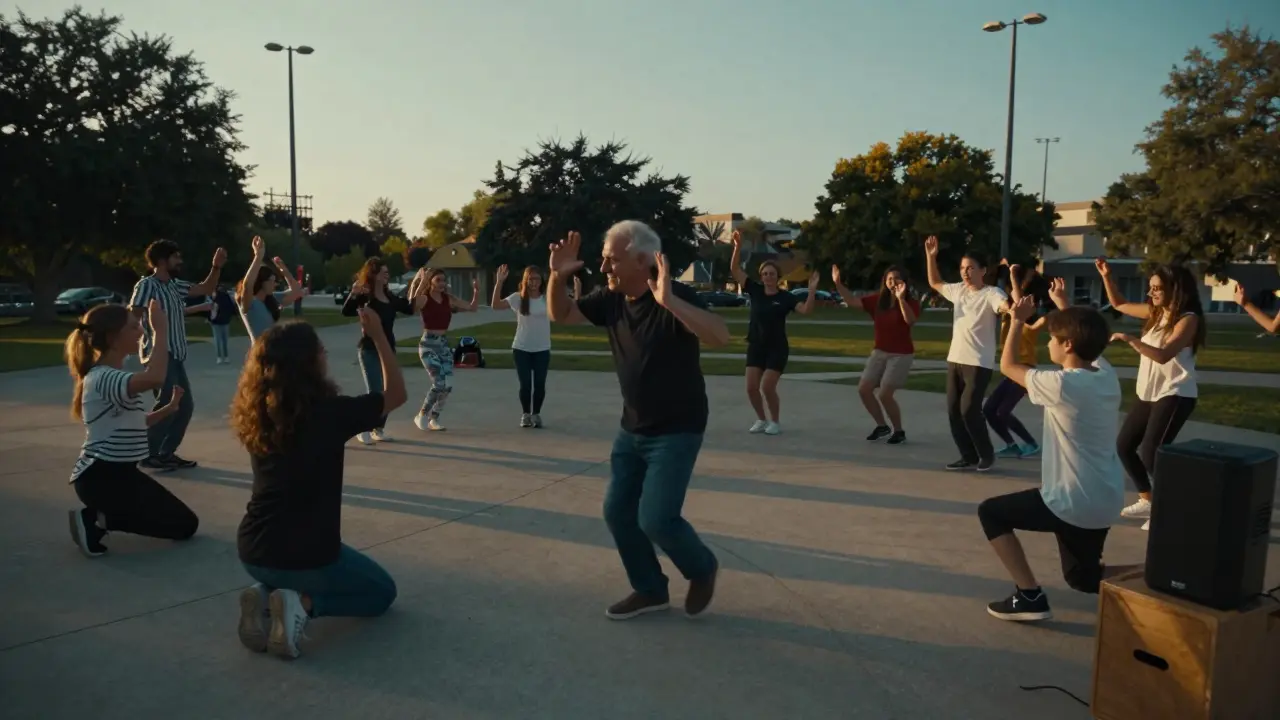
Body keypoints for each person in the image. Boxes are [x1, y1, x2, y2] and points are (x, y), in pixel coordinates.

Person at [547, 221, 730, 621]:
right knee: (618, 513)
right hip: (631, 428)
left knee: (657, 520)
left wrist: (669, 302)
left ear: (642, 260)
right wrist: (557, 277)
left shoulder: (674, 295)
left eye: (611, 260)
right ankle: (650, 589)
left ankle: (702, 568)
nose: (603, 268)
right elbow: (561, 314)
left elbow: (721, 336)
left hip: (677, 429)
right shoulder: (611, 298)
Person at [230, 310, 406, 659]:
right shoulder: (330, 413)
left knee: (287, 569)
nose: (325, 355)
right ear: (308, 363)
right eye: (320, 350)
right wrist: (379, 336)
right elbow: (397, 394)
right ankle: (303, 605)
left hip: (253, 550)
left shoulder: (257, 415)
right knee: (382, 593)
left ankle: (264, 596)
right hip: (307, 556)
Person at [979, 291, 1138, 622]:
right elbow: (1090, 342)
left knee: (991, 513)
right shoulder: (1105, 375)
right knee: (1083, 578)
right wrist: (1067, 308)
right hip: (1103, 498)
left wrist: (1017, 322)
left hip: (1071, 501)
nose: (1048, 344)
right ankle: (1159, 573)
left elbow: (1008, 366)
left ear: (1068, 344)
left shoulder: (1062, 384)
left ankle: (1029, 596)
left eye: (1052, 338)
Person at [65, 300, 200, 557]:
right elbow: (155, 378)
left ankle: (102, 516)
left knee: (186, 523)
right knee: (183, 527)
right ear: (113, 337)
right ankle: (95, 520)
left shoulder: (109, 376)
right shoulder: (104, 377)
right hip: (101, 478)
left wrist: (168, 409)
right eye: (133, 327)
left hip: (121, 474)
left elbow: (134, 423)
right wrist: (160, 331)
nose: (140, 331)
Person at [1097, 259, 1204, 531]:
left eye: (1157, 288)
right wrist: (1107, 276)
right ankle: (1148, 499)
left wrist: (1131, 339)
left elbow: (1164, 355)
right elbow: (1119, 304)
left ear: (1174, 289)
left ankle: (1172, 508)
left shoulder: (1187, 319)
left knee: (1151, 453)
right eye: (1151, 287)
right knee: (1124, 446)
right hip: (1149, 393)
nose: (1150, 293)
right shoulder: (1156, 314)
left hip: (1175, 393)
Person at [128, 239, 227, 471]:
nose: (180, 261)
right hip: (160, 355)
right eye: (176, 257)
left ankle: (165, 453)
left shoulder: (174, 285)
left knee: (185, 406)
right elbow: (133, 317)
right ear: (162, 261)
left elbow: (204, 289)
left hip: (176, 355)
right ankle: (149, 453)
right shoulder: (146, 286)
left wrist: (216, 267)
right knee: (167, 403)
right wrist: (128, 345)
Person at [924, 236, 1010, 472]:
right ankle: (968, 456)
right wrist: (931, 257)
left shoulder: (992, 293)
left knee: (969, 410)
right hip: (955, 360)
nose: (965, 272)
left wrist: (1010, 309)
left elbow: (1003, 305)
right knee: (954, 412)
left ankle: (986, 455)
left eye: (971, 268)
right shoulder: (958, 291)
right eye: (962, 268)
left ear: (983, 270)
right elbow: (935, 282)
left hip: (978, 363)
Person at [728, 230, 818, 435]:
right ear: (761, 276)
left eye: (772, 273)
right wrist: (737, 246)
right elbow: (734, 269)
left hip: (777, 348)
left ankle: (775, 422)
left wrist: (812, 290)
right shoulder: (755, 290)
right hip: (756, 345)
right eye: (765, 274)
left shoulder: (786, 298)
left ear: (778, 276)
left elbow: (806, 310)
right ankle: (761, 419)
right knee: (751, 388)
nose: (769, 276)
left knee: (767, 387)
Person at [832, 264, 920, 444]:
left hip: (900, 354)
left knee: (885, 394)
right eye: (889, 279)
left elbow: (910, 321)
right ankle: (882, 426)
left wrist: (901, 299)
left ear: (904, 282)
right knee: (864, 389)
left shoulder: (911, 302)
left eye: (897, 278)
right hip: (879, 351)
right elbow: (853, 302)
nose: (893, 282)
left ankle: (899, 431)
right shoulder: (878, 301)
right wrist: (838, 284)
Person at [491, 264, 579, 428]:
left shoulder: (547, 299)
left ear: (541, 281)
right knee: (525, 384)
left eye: (537, 279)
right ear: (525, 280)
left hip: (542, 348)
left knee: (539, 384)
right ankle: (526, 414)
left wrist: (577, 290)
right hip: (521, 347)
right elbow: (495, 305)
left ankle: (536, 414)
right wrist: (499, 282)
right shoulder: (518, 298)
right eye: (530, 279)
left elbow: (570, 308)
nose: (534, 282)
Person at [342, 258, 414, 444]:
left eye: (388, 272)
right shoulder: (366, 297)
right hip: (369, 349)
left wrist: (420, 285)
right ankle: (363, 428)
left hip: (388, 349)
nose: (387, 275)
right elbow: (347, 311)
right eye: (383, 272)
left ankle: (378, 429)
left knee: (388, 391)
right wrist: (354, 293)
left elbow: (409, 308)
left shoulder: (389, 297)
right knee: (375, 391)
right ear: (374, 275)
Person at [983, 265, 1051, 459]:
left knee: (1003, 411)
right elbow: (1014, 295)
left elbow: (1019, 296)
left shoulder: (1030, 318)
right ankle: (1011, 444)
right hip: (1011, 369)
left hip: (1024, 369)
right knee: (989, 409)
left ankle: (1031, 443)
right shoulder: (1010, 313)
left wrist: (1012, 274)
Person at [408, 267, 478, 431]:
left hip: (443, 345)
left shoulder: (448, 298)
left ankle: (434, 418)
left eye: (444, 280)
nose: (442, 283)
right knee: (439, 382)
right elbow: (412, 304)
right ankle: (422, 414)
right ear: (430, 282)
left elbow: (472, 307)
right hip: (428, 345)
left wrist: (476, 291)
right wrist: (420, 281)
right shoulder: (425, 298)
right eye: (438, 280)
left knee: (448, 384)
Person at [237, 236, 306, 341]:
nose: (275, 284)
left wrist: (284, 270)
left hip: (276, 349)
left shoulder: (271, 298)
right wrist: (258, 256)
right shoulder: (250, 303)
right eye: (272, 281)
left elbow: (297, 292)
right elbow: (247, 286)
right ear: (261, 282)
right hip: (260, 350)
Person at [208, 285, 236, 364]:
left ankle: (219, 357)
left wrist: (210, 319)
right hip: (225, 321)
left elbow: (210, 309)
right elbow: (232, 308)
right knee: (224, 341)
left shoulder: (214, 298)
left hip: (216, 322)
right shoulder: (227, 297)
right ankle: (226, 357)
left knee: (218, 341)